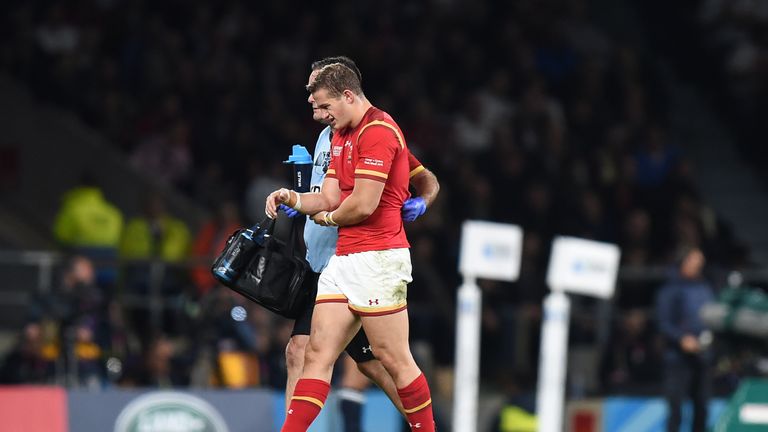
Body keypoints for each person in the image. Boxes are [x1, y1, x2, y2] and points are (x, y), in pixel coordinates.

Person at [266, 61, 437, 432]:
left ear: (348, 95)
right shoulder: (339, 133)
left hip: (379, 259)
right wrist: (291, 198)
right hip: (342, 261)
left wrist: (327, 219)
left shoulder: (379, 131)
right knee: (314, 353)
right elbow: (327, 196)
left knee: (392, 360)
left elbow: (362, 205)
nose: (320, 116)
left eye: (325, 106)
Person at [656, 246, 715, 432]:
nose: (698, 266)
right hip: (677, 358)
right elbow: (664, 322)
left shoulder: (705, 286)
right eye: (694, 261)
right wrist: (681, 339)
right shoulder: (671, 289)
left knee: (702, 406)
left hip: (702, 356)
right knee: (675, 408)